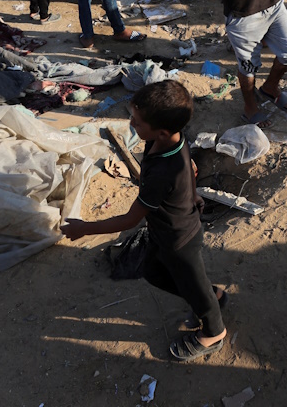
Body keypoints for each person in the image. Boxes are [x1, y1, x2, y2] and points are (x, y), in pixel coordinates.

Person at [62, 80, 227, 362]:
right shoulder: (166, 139)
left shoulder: (164, 171)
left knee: (191, 284)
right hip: (163, 231)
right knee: (153, 272)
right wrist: (192, 192)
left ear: (161, 131)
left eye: (136, 122)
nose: (131, 124)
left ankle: (214, 332)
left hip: (179, 240)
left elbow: (129, 220)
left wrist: (84, 228)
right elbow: (191, 167)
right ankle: (209, 295)